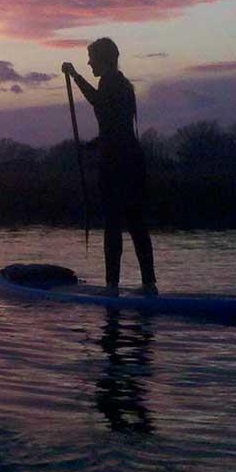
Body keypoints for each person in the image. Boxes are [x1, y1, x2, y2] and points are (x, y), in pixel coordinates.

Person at [63, 38, 156, 296]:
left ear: (103, 59)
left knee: (114, 222)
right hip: (131, 159)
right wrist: (91, 146)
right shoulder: (122, 84)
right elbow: (115, 126)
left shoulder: (111, 82)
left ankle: (112, 287)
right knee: (136, 222)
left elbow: (98, 103)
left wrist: (75, 75)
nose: (89, 62)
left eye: (91, 58)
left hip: (117, 163)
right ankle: (149, 284)